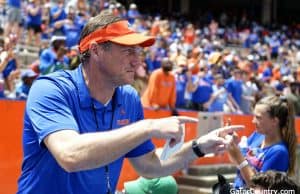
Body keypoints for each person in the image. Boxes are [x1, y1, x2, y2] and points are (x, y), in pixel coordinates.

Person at [17, 12, 244, 194]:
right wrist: (146, 128)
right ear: (95, 50)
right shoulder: (50, 89)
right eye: (128, 51)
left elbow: (150, 166)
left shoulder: (128, 97)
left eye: (138, 51)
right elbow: (70, 155)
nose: (137, 60)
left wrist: (200, 146)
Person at [227, 95, 297, 188]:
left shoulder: (279, 152)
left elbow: (258, 188)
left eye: (258, 117)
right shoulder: (257, 135)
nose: (253, 121)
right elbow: (236, 162)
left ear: (274, 121)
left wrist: (239, 157)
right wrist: (232, 145)